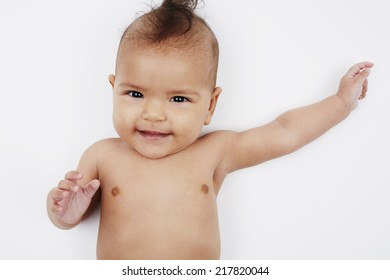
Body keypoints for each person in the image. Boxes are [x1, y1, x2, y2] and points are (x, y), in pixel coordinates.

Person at [46, 0, 373, 259]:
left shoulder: (215, 151)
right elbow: (65, 218)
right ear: (113, 90)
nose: (154, 114)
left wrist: (341, 102)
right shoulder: (103, 155)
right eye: (135, 94)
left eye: (178, 98)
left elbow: (285, 131)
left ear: (210, 106)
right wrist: (65, 211)